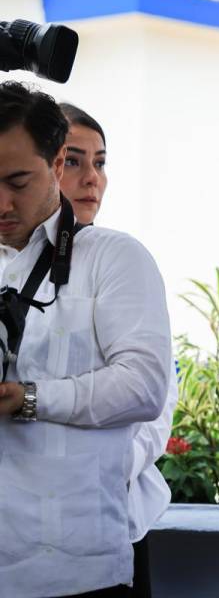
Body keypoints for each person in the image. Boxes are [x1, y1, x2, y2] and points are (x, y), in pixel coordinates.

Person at [0, 81, 171, 597]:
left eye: (17, 181)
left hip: (72, 570)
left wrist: (30, 398)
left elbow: (145, 388)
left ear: (52, 167)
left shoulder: (115, 258)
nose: (1, 202)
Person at [58, 102, 176, 598]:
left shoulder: (124, 262)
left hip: (114, 516)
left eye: (100, 162)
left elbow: (155, 397)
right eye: (74, 160)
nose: (93, 179)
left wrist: (102, 469)